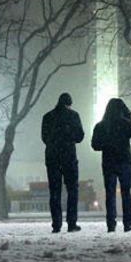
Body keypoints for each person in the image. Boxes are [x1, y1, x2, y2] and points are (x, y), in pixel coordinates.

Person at [91, 98, 131, 233]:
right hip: (124, 162)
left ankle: (111, 224)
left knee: (110, 194)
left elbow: (94, 145)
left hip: (108, 162)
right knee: (126, 193)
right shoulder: (127, 124)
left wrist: (107, 144)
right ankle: (128, 222)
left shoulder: (100, 126)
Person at [41, 93, 85, 233]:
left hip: (52, 157)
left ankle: (56, 224)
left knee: (55, 191)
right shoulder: (73, 116)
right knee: (72, 190)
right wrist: (68, 137)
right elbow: (80, 137)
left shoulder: (47, 117)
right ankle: (71, 223)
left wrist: (54, 142)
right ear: (69, 103)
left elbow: (44, 137)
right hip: (68, 157)